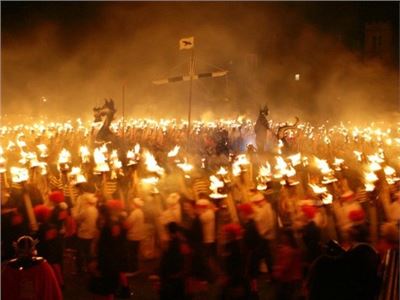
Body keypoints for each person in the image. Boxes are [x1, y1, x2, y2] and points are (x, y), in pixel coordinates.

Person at [1, 235, 63, 300]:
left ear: (17, 249)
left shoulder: (9, 268)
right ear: (33, 249)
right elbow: (53, 292)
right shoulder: (43, 266)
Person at [251, 193, 276, 276]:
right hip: (264, 236)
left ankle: (273, 273)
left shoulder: (267, 208)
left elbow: (270, 223)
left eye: (256, 203)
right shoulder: (261, 209)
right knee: (267, 255)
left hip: (267, 236)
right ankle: (270, 272)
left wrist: (263, 232)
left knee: (269, 255)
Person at [125, 197, 145, 275]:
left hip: (132, 237)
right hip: (138, 236)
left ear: (135, 204)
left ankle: (132, 270)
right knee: (135, 254)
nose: (130, 205)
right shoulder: (140, 212)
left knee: (131, 254)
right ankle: (136, 269)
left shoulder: (135, 213)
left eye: (131, 203)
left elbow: (127, 225)